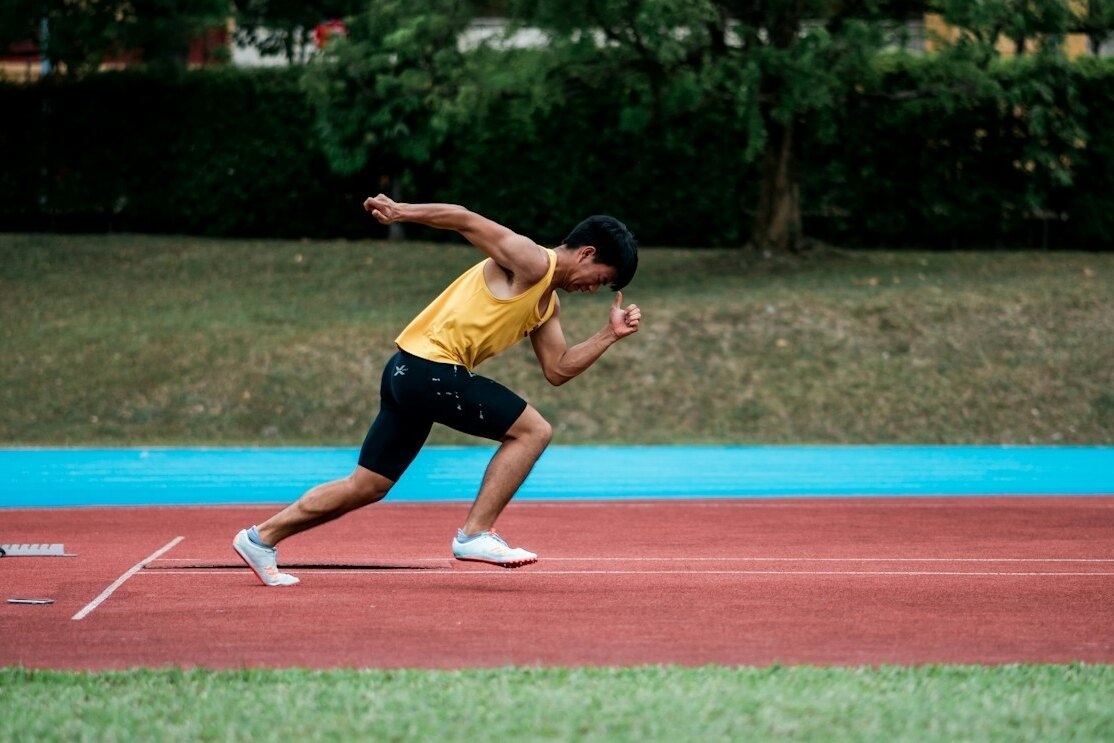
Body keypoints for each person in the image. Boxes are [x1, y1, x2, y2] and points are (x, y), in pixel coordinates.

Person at [232, 194, 641, 586]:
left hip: (407, 372)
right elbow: (464, 218)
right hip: (429, 369)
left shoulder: (546, 304)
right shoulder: (532, 261)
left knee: (368, 485)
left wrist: (608, 334)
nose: (592, 289)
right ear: (586, 253)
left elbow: (558, 368)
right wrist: (399, 211)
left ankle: (260, 538)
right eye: (599, 279)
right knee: (533, 431)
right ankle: (474, 534)